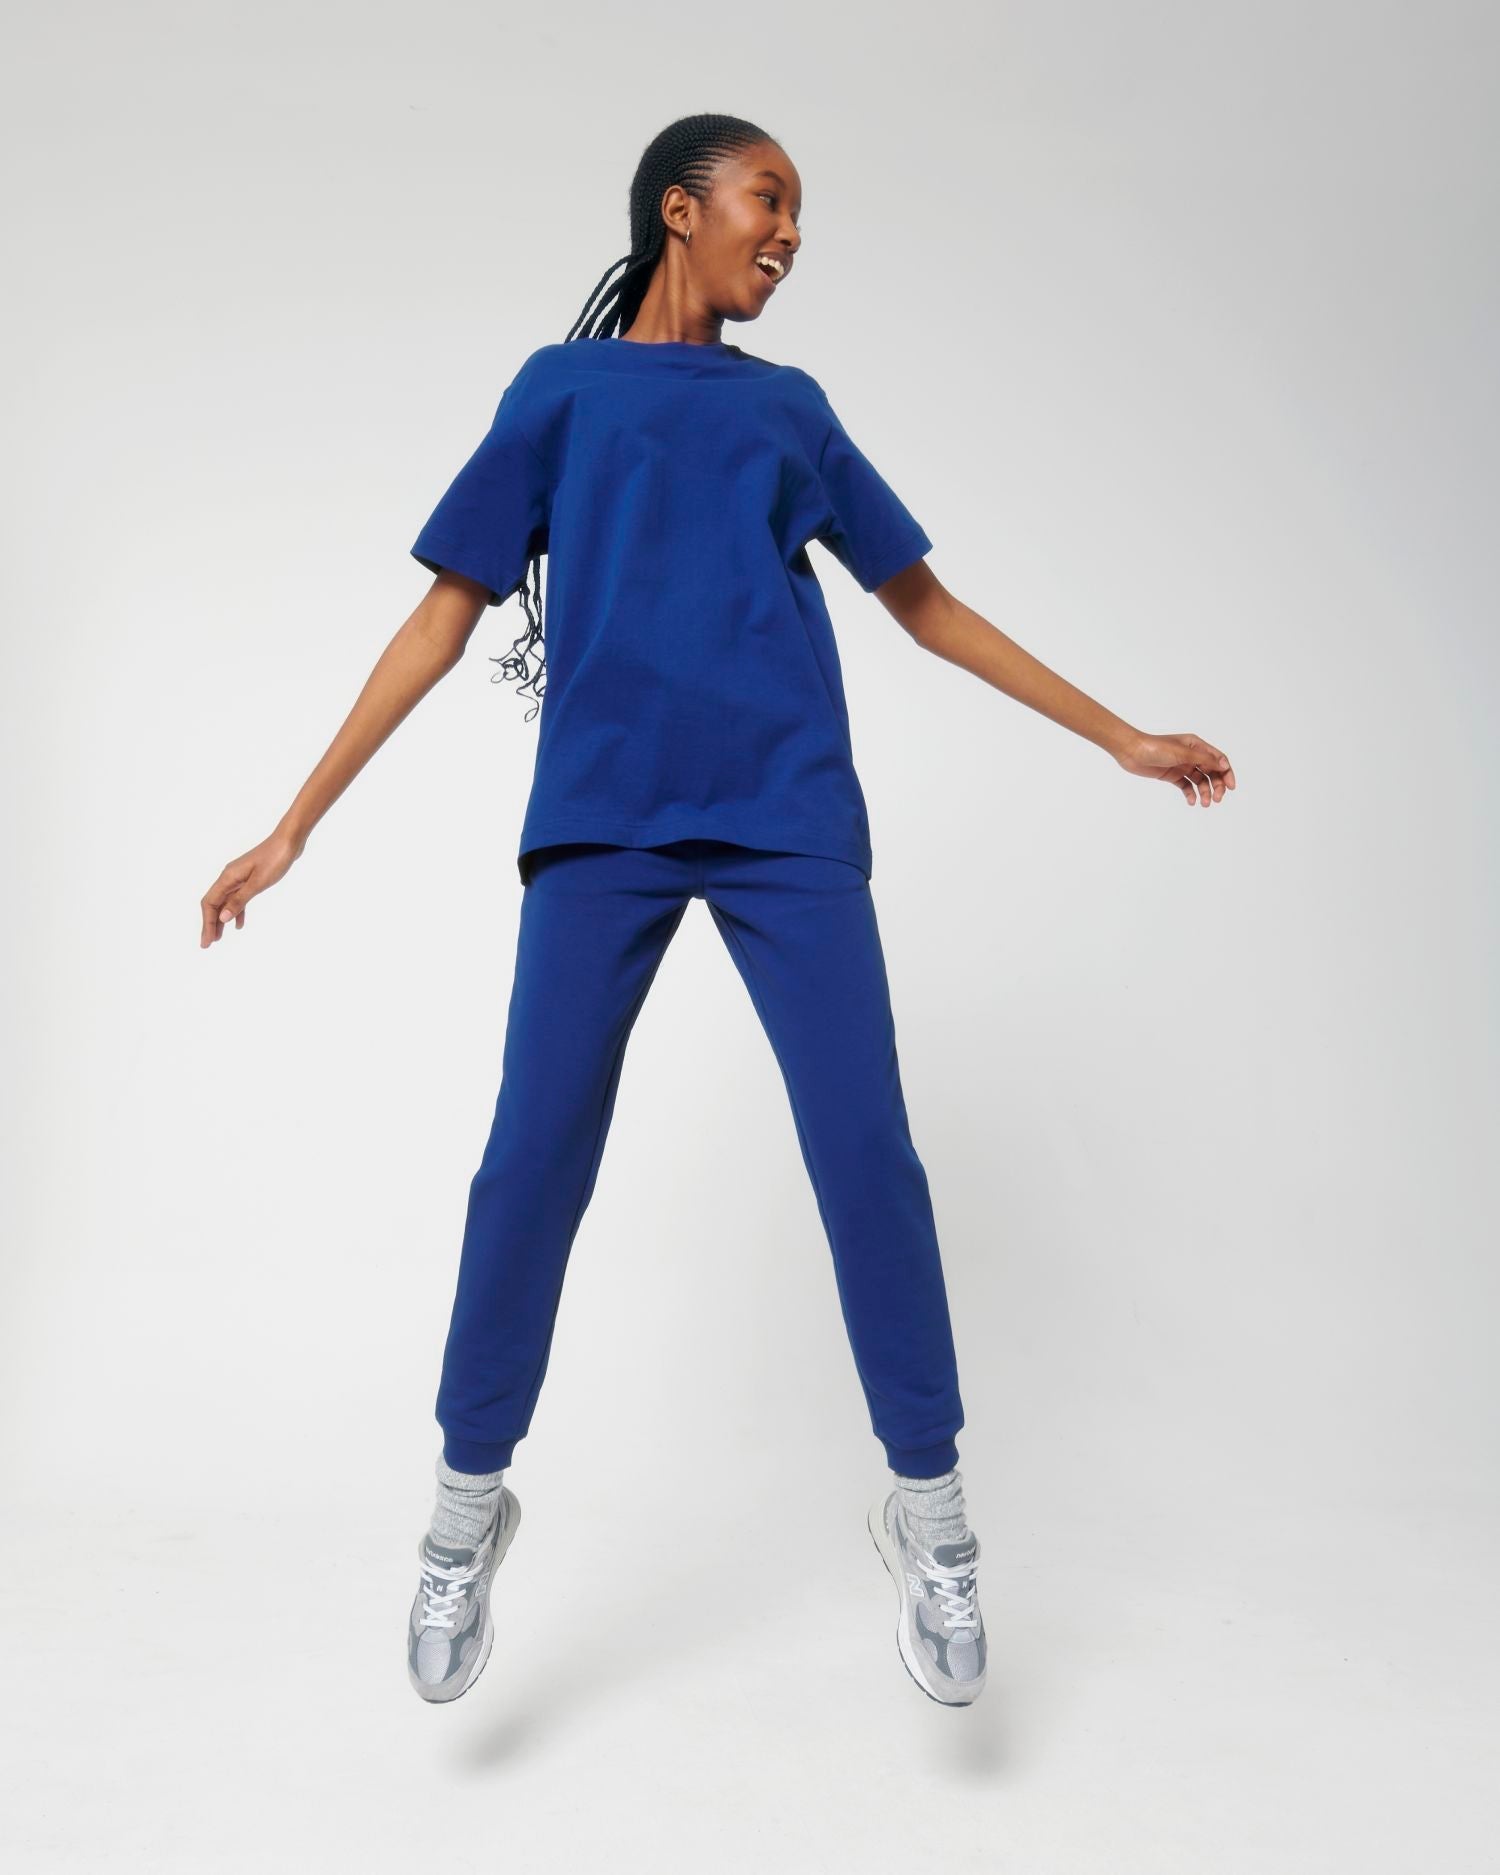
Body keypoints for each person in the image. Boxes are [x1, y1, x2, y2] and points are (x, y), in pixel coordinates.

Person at [199, 112, 1235, 1713]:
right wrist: (295, 823)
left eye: (799, 209)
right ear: (681, 211)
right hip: (602, 826)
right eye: (770, 199)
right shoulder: (560, 392)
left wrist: (1118, 736)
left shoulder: (787, 410)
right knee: (532, 1160)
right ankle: (466, 1509)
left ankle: (934, 1513)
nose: (792, 232)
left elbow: (924, 606)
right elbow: (441, 617)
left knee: (867, 1155)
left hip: (785, 824)